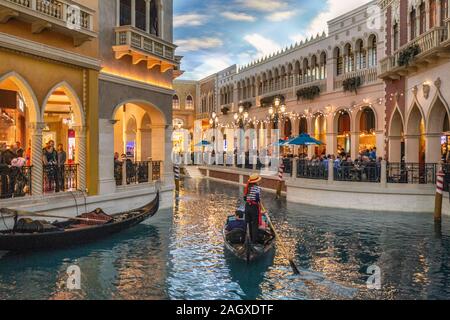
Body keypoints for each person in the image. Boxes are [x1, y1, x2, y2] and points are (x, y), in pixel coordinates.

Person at [244, 173, 262, 244]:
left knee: (247, 223)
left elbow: (245, 198)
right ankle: (254, 241)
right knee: (255, 224)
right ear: (256, 181)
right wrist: (259, 201)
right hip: (254, 207)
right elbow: (257, 198)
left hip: (247, 206)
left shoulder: (247, 187)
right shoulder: (258, 188)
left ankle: (246, 239)